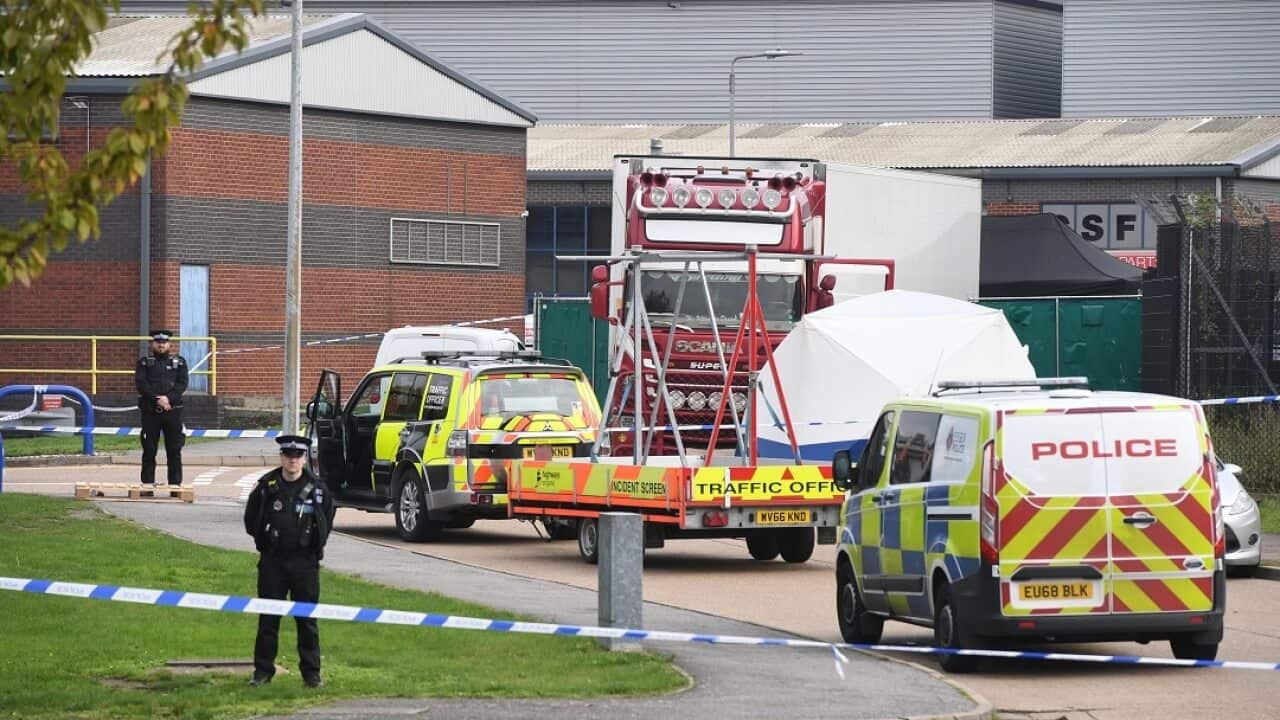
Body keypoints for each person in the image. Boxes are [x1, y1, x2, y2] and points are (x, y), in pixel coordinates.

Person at [244, 435, 335, 688]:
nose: (293, 460)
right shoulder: (266, 486)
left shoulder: (317, 488)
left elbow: (326, 519)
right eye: (288, 456)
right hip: (273, 562)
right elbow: (251, 520)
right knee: (268, 620)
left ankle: (311, 674)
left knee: (307, 621)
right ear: (282, 457)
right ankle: (262, 672)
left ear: (304, 459)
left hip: (305, 564)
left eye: (298, 456)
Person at [135, 329, 188, 490]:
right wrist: (157, 399)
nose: (161, 345)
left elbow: (182, 383)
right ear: (153, 344)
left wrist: (168, 399)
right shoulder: (145, 362)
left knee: (174, 450)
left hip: (172, 412)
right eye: (158, 342)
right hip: (151, 412)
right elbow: (141, 384)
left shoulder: (179, 362)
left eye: (164, 342)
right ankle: (147, 485)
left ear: (169, 344)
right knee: (149, 449)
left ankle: (175, 486)